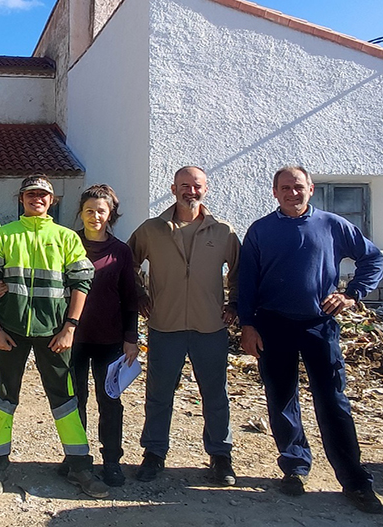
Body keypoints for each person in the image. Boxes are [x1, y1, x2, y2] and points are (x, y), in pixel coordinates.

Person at [238, 165, 383, 514]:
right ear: (274, 192)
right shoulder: (260, 231)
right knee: (281, 398)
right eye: (285, 188)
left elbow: (373, 259)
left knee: (333, 402)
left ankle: (354, 480)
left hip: (319, 325)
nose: (292, 193)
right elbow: (247, 283)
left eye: (298, 186)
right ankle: (294, 467)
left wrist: (352, 294)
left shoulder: (333, 225)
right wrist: (248, 324)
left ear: (311, 188)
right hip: (273, 325)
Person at [0, 175, 108, 499]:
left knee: (65, 399)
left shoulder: (65, 238)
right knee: (3, 397)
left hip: (54, 334)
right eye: (30, 194)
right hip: (10, 332)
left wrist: (70, 327)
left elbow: (81, 283)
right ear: (21, 199)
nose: (37, 198)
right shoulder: (3, 235)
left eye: (43, 194)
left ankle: (80, 466)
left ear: (52, 201)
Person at [127, 166, 240, 486]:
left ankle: (220, 456)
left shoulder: (223, 231)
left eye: (197, 186)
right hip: (165, 325)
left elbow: (239, 272)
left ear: (206, 189)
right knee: (159, 394)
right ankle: (154, 454)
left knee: (215, 395)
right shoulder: (152, 229)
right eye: (185, 185)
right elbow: (128, 262)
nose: (191, 191)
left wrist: (234, 304)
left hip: (210, 327)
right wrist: (138, 293)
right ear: (173, 188)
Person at [70, 184, 139, 487]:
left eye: (101, 210)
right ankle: (76, 458)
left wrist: (131, 336)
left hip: (109, 339)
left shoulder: (121, 251)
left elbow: (130, 295)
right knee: (74, 399)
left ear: (110, 214)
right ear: (81, 213)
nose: (95, 216)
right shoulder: (68, 244)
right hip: (72, 337)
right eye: (89, 210)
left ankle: (112, 460)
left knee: (109, 400)